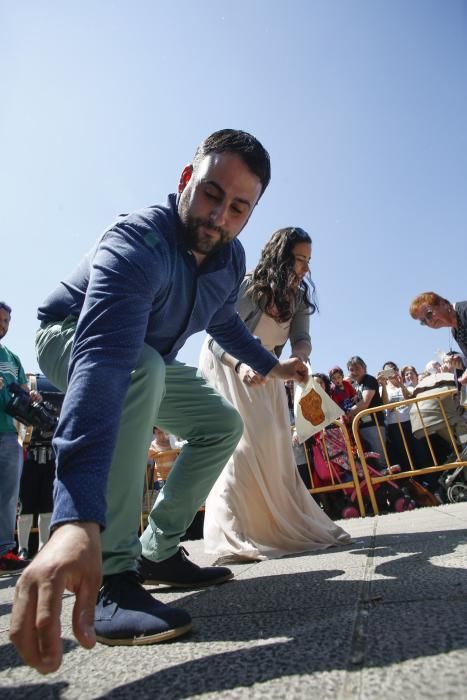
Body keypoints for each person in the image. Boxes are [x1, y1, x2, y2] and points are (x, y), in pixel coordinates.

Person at [10, 129, 309, 673]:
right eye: (212, 193)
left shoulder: (229, 259)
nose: (220, 217)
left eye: (239, 207)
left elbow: (223, 322)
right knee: (135, 366)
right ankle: (110, 576)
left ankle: (157, 550)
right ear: (185, 180)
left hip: (142, 356)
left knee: (221, 424)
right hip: (71, 334)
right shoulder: (139, 241)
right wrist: (75, 519)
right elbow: (102, 359)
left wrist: (271, 364)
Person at [199, 227, 350, 563]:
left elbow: (302, 338)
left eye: (308, 260)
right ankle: (231, 535)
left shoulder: (298, 296)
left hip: (269, 368)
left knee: (274, 440)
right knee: (240, 444)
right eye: (299, 260)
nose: (305, 268)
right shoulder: (250, 286)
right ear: (280, 257)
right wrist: (242, 366)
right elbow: (216, 335)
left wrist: (300, 357)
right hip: (228, 364)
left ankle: (274, 524)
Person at [0, 301, 40, 575]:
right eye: (0, 320)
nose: (3, 326)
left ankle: (4, 551)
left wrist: (31, 396)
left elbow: (23, 392)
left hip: (8, 433)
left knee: (8, 497)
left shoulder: (12, 357)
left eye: (6, 322)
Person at [16, 375, 64, 560]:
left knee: (47, 504)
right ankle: (22, 548)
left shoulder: (59, 395)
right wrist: (32, 396)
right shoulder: (29, 396)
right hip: (31, 455)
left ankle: (44, 545)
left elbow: (62, 397)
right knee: (26, 504)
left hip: (52, 456)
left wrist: (42, 396)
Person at [409, 292, 467, 385]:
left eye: (429, 314)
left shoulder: (465, 311)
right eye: (423, 321)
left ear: (443, 303)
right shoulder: (455, 331)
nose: (429, 321)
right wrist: (462, 363)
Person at [346, 355, 386, 465]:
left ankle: (387, 482)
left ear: (364, 368)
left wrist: (348, 414)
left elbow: (365, 402)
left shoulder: (369, 380)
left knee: (380, 458)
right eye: (351, 370)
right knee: (372, 461)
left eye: (357, 368)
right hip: (362, 426)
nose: (355, 372)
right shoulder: (355, 385)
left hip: (374, 425)